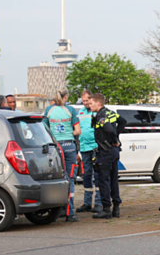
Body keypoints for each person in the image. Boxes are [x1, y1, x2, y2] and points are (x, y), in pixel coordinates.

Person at [43, 89, 81, 222]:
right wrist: (68, 132)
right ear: (66, 97)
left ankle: (58, 209)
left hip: (55, 147)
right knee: (70, 179)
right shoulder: (70, 110)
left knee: (57, 178)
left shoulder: (49, 110)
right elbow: (78, 131)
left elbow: (44, 130)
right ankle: (70, 213)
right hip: (69, 146)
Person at [88, 93, 124, 219]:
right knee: (114, 179)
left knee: (104, 180)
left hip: (106, 151)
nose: (89, 105)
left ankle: (106, 209)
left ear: (98, 103)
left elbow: (108, 129)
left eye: (91, 103)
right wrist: (116, 139)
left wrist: (114, 138)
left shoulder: (101, 116)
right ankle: (116, 208)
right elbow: (123, 121)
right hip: (114, 151)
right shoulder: (110, 112)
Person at [75, 89, 101, 213]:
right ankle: (87, 202)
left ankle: (98, 202)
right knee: (86, 176)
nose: (85, 103)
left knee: (97, 175)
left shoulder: (96, 112)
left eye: (87, 100)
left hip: (95, 147)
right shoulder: (80, 112)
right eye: (83, 101)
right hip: (84, 148)